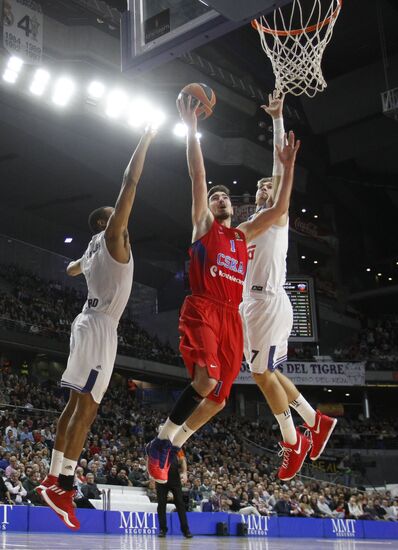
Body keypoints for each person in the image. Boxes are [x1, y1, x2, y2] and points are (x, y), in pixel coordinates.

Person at [146, 94, 301, 483]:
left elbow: (279, 210)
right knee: (207, 381)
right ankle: (161, 440)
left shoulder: (242, 234)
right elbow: (197, 176)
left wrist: (289, 167)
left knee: (218, 399)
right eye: (214, 197)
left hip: (233, 317)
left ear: (233, 206)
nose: (219, 198)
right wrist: (192, 128)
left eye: (224, 196)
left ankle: (176, 441)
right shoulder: (204, 227)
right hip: (203, 308)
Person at [38, 127, 157, 530]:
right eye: (117, 216)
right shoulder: (110, 237)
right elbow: (130, 181)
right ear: (108, 222)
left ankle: (53, 478)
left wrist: (82, 262)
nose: (124, 220)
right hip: (100, 325)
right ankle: (64, 486)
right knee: (86, 410)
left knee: (74, 406)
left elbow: (72, 268)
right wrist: (146, 138)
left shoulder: (92, 249)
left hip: (88, 322)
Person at [240, 91, 337, 481]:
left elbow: (280, 172)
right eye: (260, 189)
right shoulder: (253, 226)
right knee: (270, 372)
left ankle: (292, 441)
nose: (264, 191)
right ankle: (316, 421)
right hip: (261, 304)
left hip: (265, 303)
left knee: (262, 376)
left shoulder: (276, 217)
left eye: (269, 188)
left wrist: (278, 119)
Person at [156, 446, 192, 538]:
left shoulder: (177, 445)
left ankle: (186, 530)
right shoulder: (157, 445)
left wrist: (184, 473)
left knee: (180, 504)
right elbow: (152, 460)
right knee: (161, 504)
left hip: (174, 477)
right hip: (161, 478)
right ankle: (162, 529)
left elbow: (182, 459)